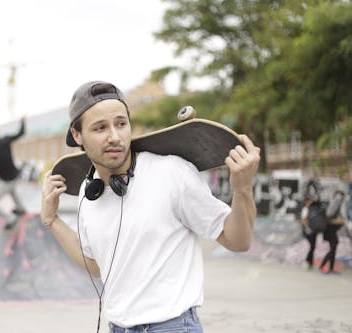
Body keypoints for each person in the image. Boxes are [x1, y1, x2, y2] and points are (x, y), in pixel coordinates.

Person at [41, 81, 260, 332]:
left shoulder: (171, 172)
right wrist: (52, 221)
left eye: (121, 124)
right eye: (100, 128)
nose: (114, 136)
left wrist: (242, 189)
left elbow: (238, 240)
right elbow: (96, 265)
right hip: (118, 327)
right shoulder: (88, 193)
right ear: (77, 135)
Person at [319, 190, 346, 274]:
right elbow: (328, 218)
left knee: (333, 249)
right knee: (333, 249)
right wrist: (338, 221)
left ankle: (331, 268)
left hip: (332, 231)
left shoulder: (336, 204)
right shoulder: (334, 204)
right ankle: (322, 266)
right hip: (330, 230)